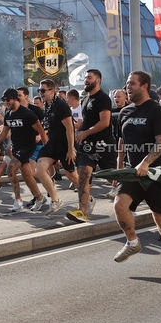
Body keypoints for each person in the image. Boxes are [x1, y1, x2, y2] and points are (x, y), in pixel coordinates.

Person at [111, 71, 161, 269]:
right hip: (133, 173)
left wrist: (146, 162)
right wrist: (119, 169)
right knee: (119, 206)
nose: (127, 87)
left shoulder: (157, 111)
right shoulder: (124, 113)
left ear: (144, 86)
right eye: (127, 84)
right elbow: (121, 143)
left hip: (157, 172)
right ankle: (133, 242)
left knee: (160, 216)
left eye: (132, 83)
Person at [0, 88, 49, 212]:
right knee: (27, 175)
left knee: (10, 169)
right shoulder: (8, 114)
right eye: (4, 100)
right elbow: (3, 134)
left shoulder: (27, 113)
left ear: (14, 99)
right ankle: (40, 198)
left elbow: (41, 130)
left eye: (7, 100)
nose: (5, 102)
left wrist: (47, 149)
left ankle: (18, 200)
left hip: (28, 147)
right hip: (16, 147)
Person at [67, 69, 113, 223]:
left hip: (103, 145)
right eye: (85, 77)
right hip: (86, 147)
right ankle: (82, 211)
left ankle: (132, 196)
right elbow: (84, 122)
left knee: (112, 178)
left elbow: (105, 122)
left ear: (98, 80)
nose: (86, 80)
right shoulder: (85, 99)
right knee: (83, 174)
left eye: (89, 77)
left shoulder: (103, 98)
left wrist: (86, 133)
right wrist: (76, 137)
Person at [34, 78, 76, 215]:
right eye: (39, 90)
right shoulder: (47, 105)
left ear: (52, 91)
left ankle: (88, 198)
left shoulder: (61, 105)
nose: (40, 93)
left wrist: (70, 150)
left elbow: (70, 129)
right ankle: (56, 200)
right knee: (39, 169)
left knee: (72, 176)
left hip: (64, 144)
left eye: (42, 90)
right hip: (53, 143)